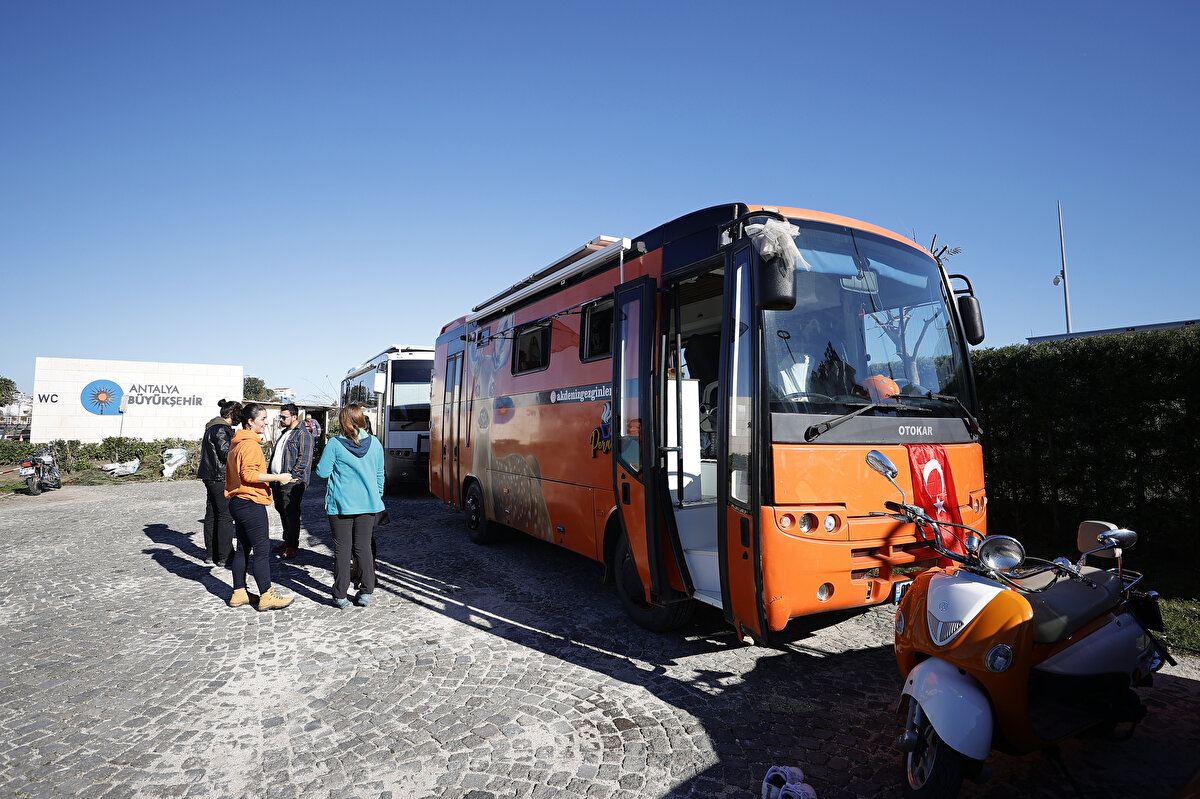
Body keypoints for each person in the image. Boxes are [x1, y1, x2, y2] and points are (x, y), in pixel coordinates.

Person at [225, 403, 295, 611]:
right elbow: (249, 475)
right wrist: (279, 477)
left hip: (238, 502)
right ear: (250, 421)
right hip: (250, 502)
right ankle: (267, 594)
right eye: (263, 419)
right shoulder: (250, 444)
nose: (266, 422)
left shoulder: (236, 443)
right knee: (261, 550)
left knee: (242, 549)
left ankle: (239, 592)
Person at [316, 403, 385, 609]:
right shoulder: (375, 443)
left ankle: (340, 595)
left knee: (342, 550)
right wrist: (375, 495)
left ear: (343, 421)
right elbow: (380, 475)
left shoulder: (335, 444)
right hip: (368, 504)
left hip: (341, 505)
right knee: (363, 548)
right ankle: (366, 592)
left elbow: (322, 472)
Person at [197, 399, 241, 566]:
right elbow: (226, 453)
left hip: (211, 476)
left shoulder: (211, 427)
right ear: (230, 415)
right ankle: (225, 555)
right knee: (224, 516)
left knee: (212, 514)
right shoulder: (221, 429)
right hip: (220, 477)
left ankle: (211, 554)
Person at [269, 403, 314, 560]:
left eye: (284, 417)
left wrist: (292, 475)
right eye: (281, 416)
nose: (281, 419)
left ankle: (292, 546)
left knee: (291, 513)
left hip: (292, 481)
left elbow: (305, 459)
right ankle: (287, 540)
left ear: (294, 417)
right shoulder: (285, 432)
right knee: (282, 510)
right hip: (277, 480)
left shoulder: (303, 433)